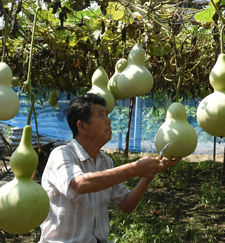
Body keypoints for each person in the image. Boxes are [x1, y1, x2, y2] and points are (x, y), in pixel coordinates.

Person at [39, 93, 180, 243]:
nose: (108, 120)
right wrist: (134, 168)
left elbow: (127, 204)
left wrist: (148, 174)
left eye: (107, 114)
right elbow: (79, 184)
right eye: (101, 115)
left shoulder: (105, 162)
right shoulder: (61, 154)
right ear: (83, 126)